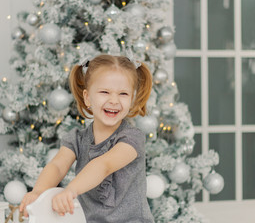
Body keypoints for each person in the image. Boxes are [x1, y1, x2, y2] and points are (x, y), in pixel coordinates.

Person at [19, 54, 154, 222]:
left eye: (123, 94)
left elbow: (103, 165)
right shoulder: (77, 139)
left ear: (132, 99)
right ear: (87, 97)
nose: (114, 100)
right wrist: (38, 191)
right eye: (105, 92)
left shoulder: (132, 138)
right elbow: (58, 165)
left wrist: (71, 190)